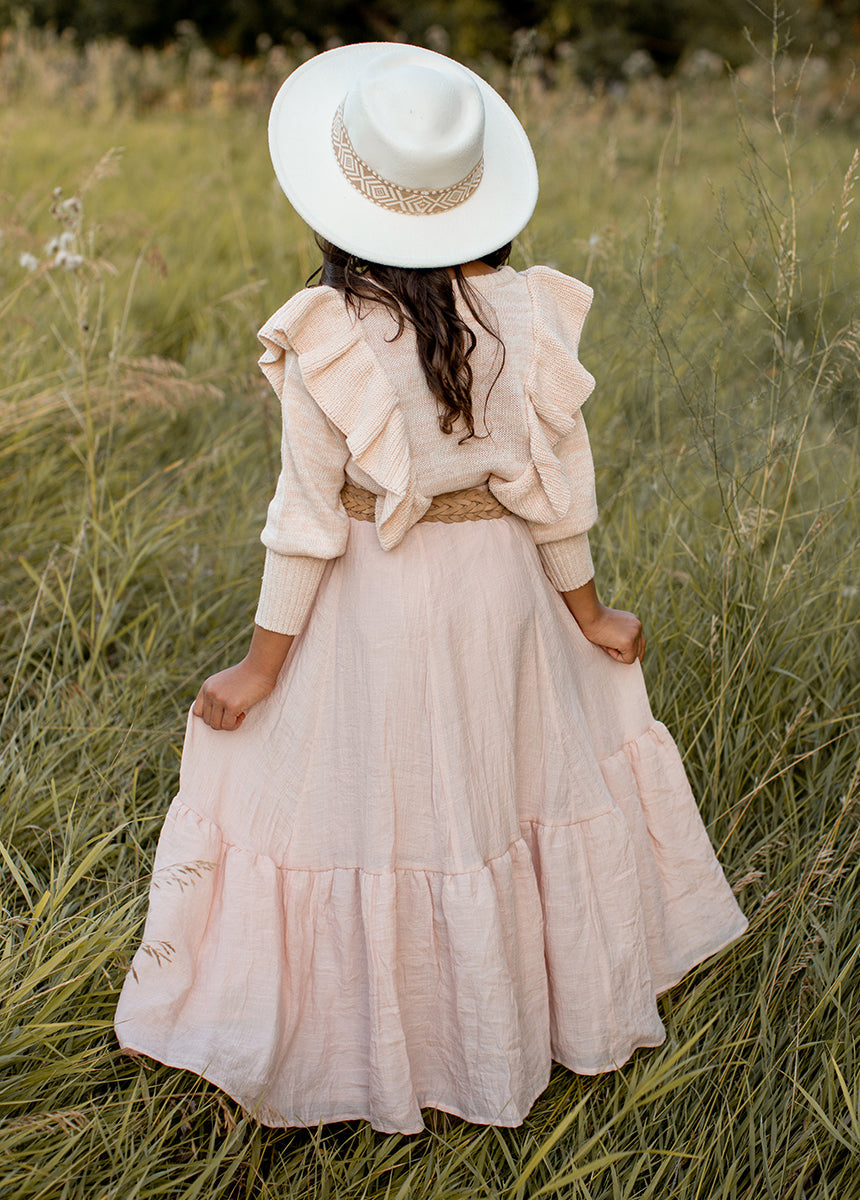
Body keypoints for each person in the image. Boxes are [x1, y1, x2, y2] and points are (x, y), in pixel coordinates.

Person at [114, 41, 748, 1136]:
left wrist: (262, 667)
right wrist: (587, 614)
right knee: (499, 788)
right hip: (500, 598)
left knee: (391, 800)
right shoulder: (527, 315)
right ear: (472, 199)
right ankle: (508, 1021)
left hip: (384, 603)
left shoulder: (330, 335)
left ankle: (405, 1036)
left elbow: (307, 521)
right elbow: (557, 494)